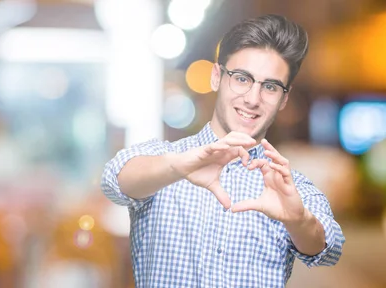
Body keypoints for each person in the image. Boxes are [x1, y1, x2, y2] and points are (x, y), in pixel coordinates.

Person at [101, 14, 345, 287]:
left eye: (270, 86)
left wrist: (297, 220)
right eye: (242, 79)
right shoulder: (166, 160)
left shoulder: (287, 186)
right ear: (217, 77)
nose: (253, 99)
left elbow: (329, 248)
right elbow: (114, 179)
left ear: (284, 98)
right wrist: (178, 167)